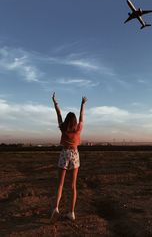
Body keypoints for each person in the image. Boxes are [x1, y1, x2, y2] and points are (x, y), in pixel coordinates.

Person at [50, 92, 87, 222]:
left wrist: (55, 103)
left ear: (66, 120)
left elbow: (58, 114)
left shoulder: (63, 129)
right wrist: (82, 104)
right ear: (75, 121)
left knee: (60, 184)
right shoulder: (78, 129)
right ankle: (72, 213)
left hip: (64, 153)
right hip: (75, 154)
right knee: (73, 186)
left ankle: (55, 209)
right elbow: (82, 117)